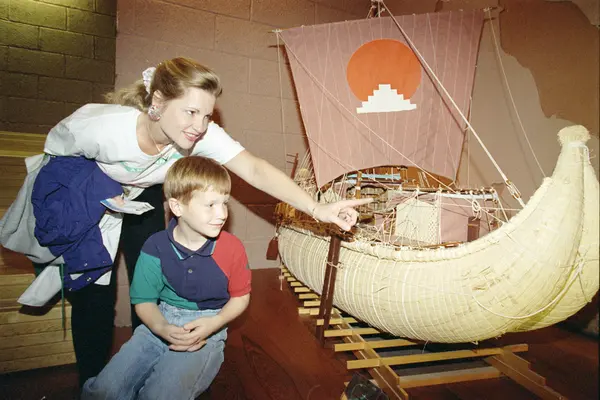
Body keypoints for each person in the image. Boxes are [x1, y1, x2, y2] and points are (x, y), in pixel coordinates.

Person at [0, 57, 372, 387]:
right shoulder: (101, 128)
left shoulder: (198, 136)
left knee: (150, 274)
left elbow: (254, 169)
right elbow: (56, 165)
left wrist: (317, 208)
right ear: (158, 102)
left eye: (207, 115)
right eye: (191, 112)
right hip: (92, 190)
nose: (199, 125)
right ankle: (93, 383)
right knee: (94, 294)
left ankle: (149, 361)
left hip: (143, 193)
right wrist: (93, 198)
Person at [81, 156, 250, 399]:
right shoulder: (155, 246)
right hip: (158, 321)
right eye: (211, 204)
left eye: (224, 203)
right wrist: (160, 326)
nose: (222, 213)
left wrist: (215, 323)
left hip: (207, 327)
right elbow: (144, 301)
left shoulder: (232, 248)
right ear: (177, 207)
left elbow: (240, 297)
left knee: (159, 394)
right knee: (104, 390)